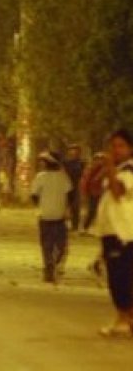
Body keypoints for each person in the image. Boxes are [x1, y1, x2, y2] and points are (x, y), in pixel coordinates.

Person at [95, 129, 133, 337]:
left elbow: (118, 192)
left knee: (120, 278)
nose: (115, 151)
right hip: (111, 231)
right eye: (112, 146)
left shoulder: (129, 169)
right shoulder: (117, 169)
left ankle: (122, 319)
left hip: (125, 232)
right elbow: (94, 190)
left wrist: (110, 167)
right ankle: (127, 318)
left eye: (120, 146)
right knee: (119, 276)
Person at [31, 152, 73, 283]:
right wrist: (66, 207)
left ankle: (48, 265)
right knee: (61, 243)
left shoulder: (40, 177)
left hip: (45, 215)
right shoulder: (63, 177)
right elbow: (71, 195)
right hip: (60, 216)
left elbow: (34, 195)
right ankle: (56, 262)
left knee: (46, 244)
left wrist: (41, 205)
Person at [80, 152, 106, 237]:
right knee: (92, 211)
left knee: (102, 211)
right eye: (98, 159)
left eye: (101, 159)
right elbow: (85, 181)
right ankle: (84, 227)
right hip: (93, 192)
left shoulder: (105, 169)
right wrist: (84, 192)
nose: (100, 161)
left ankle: (98, 229)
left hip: (102, 193)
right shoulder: (90, 169)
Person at [63, 144, 86, 232]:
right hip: (66, 186)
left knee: (75, 207)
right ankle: (62, 225)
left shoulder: (82, 163)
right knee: (63, 206)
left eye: (75, 150)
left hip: (77, 186)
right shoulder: (65, 162)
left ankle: (75, 225)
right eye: (71, 150)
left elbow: (84, 174)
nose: (73, 152)